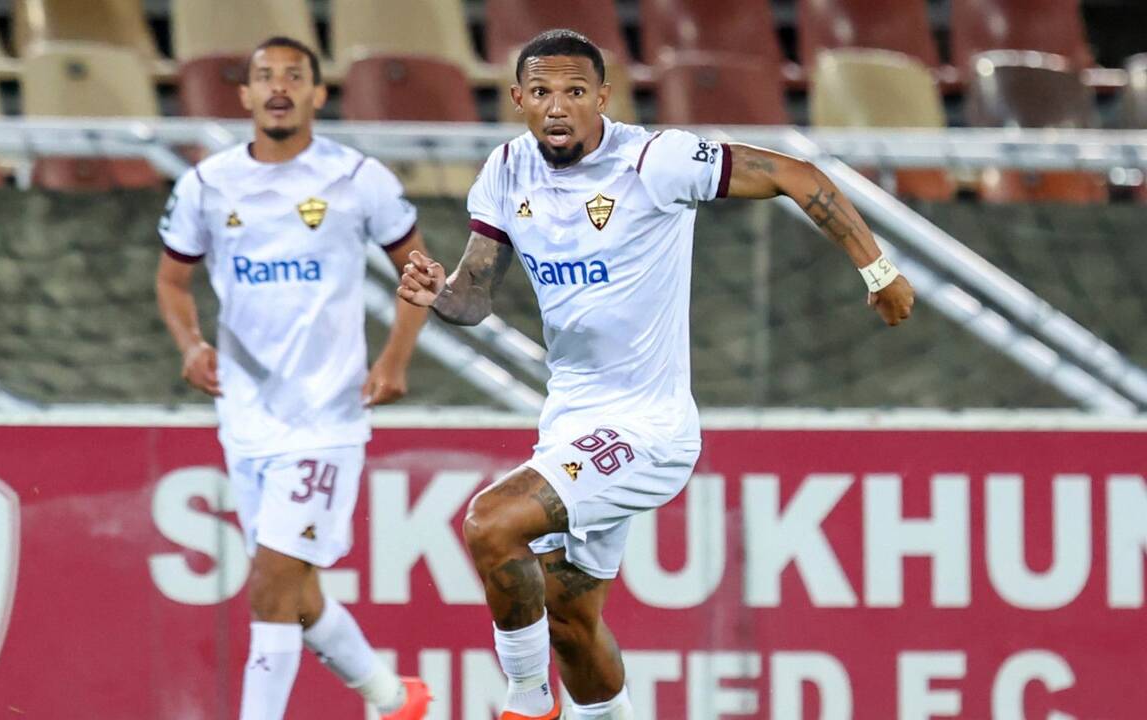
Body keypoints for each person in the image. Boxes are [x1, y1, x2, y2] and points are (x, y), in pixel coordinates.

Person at [398, 29, 915, 720]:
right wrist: (439, 294)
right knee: (572, 623)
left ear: (603, 97)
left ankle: (526, 704)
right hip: (570, 425)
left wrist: (879, 272)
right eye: (542, 92)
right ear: (518, 99)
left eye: (575, 91)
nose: (558, 106)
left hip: (648, 428)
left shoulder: (654, 160)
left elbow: (798, 175)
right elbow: (475, 295)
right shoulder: (507, 169)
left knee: (491, 523)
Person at [156, 36, 432, 720]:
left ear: (318, 93)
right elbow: (171, 281)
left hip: (325, 417)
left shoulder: (357, 178)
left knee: (272, 585)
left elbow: (420, 272)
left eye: (294, 76)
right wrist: (191, 345)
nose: (279, 87)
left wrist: (395, 359)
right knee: (296, 595)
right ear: (245, 95)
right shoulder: (206, 185)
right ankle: (394, 698)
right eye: (265, 76)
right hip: (245, 416)